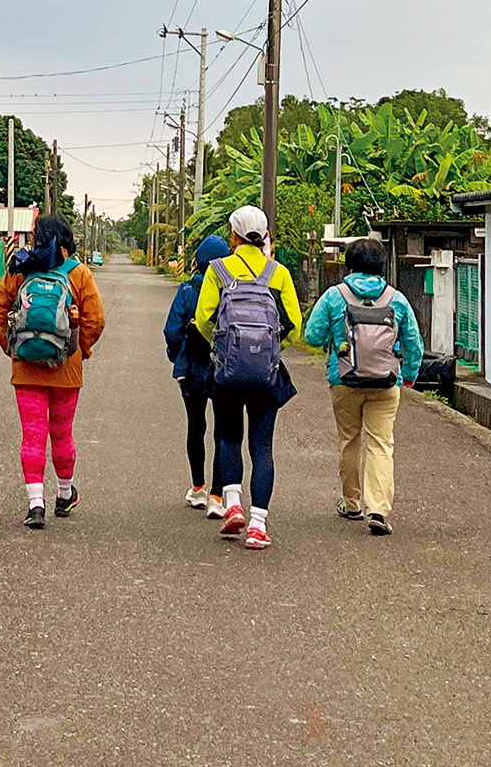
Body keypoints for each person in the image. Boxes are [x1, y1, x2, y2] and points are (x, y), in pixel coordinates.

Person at [194, 206, 302, 551]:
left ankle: (233, 504)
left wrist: (224, 346)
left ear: (234, 236)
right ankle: (257, 525)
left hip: (227, 372)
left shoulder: (218, 270)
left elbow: (202, 319)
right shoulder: (279, 273)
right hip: (266, 375)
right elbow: (295, 327)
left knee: (228, 437)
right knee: (262, 446)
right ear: (265, 236)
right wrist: (270, 348)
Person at [0, 215, 105, 529]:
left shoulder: (19, 269)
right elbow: (96, 321)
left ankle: (35, 503)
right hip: (67, 371)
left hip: (26, 370)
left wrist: (13, 350)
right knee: (61, 433)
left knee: (33, 435)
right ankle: (64, 495)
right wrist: (79, 350)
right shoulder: (79, 273)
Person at [305, 237, 424, 536]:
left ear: (349, 264)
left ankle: (353, 503)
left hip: (343, 381)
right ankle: (379, 509)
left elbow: (312, 335)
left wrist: (335, 343)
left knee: (349, 441)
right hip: (386, 383)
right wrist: (408, 374)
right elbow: (414, 343)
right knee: (381, 444)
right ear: (381, 266)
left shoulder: (334, 295)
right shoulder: (395, 298)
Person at [163, 234, 230, 518]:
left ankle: (199, 488)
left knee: (196, 426)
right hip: (226, 367)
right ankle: (218, 495)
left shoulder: (187, 290)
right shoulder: (232, 288)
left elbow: (172, 330)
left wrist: (177, 356)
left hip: (192, 367)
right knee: (224, 431)